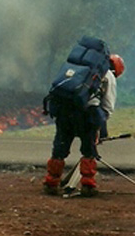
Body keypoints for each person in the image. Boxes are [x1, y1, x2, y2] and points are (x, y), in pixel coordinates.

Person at [43, 52, 125, 196]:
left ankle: (51, 183)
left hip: (64, 111)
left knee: (60, 148)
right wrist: (100, 125)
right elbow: (108, 105)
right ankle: (88, 186)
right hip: (86, 115)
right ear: (116, 68)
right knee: (88, 150)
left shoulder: (77, 67)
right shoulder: (108, 75)